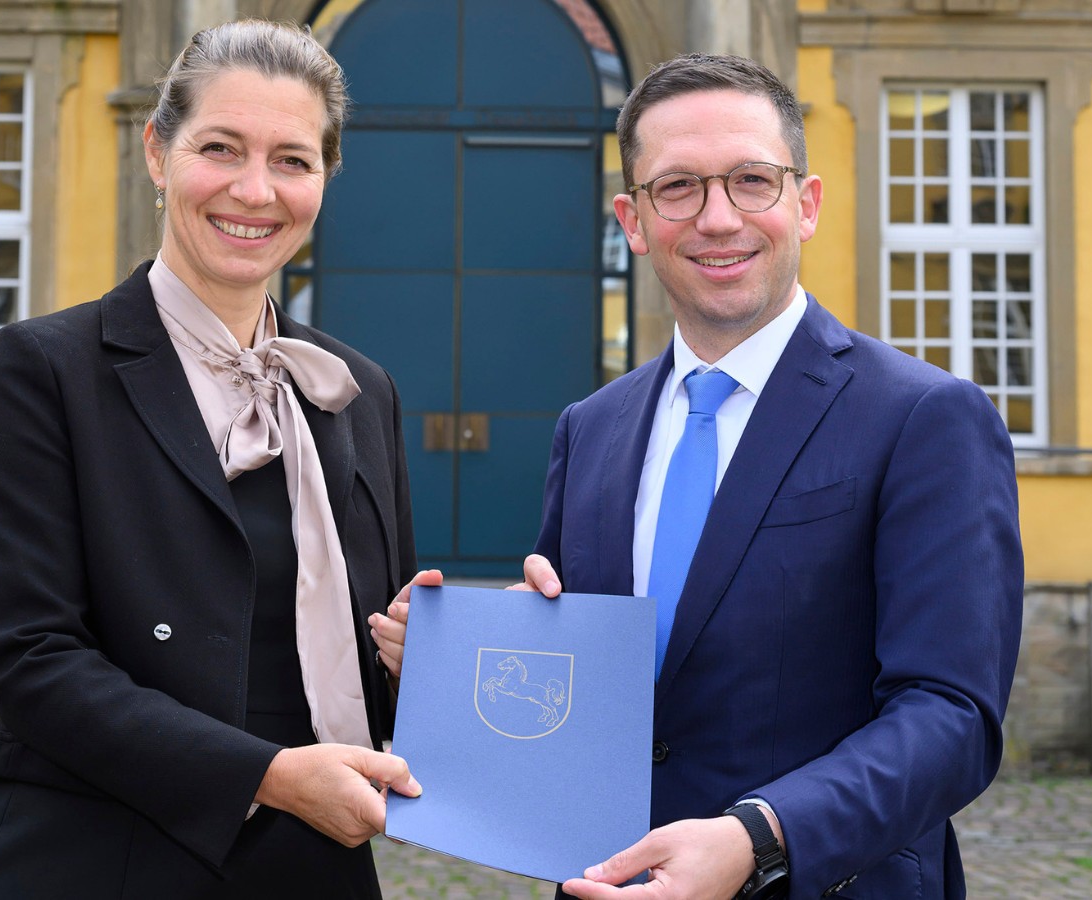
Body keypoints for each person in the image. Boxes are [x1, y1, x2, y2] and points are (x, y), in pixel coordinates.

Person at [377, 53, 1023, 900]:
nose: (719, 219)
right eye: (678, 187)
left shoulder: (925, 418)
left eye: (752, 181)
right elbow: (586, 706)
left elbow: (951, 716)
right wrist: (456, 664)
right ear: (633, 220)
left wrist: (760, 836)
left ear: (805, 203)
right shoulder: (591, 428)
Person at [0, 18, 439, 899]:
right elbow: (34, 661)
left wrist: (444, 656)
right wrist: (267, 776)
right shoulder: (46, 369)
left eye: (292, 160)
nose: (255, 190)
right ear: (157, 151)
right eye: (220, 148)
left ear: (324, 177)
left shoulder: (359, 391)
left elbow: (382, 663)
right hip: (96, 861)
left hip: (312, 874)